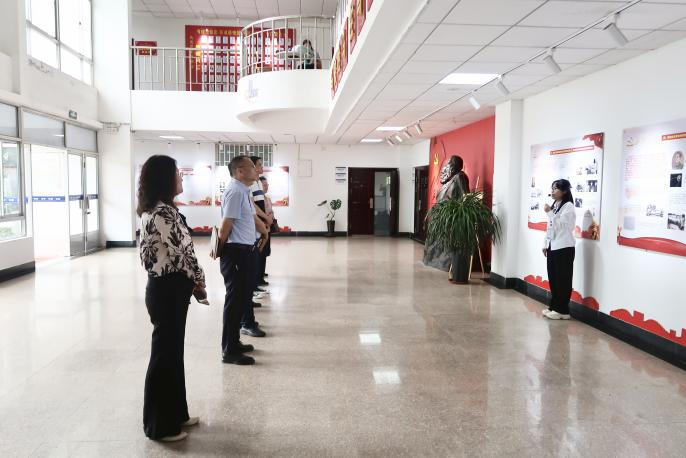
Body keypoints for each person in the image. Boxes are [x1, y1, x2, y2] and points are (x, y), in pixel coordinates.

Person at [137, 155, 205, 442]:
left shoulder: (157, 209)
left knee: (173, 354)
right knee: (165, 357)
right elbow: (181, 253)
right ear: (165, 178)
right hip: (168, 289)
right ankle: (160, 426)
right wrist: (199, 280)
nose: (181, 177)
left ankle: (177, 413)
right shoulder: (163, 212)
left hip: (168, 288)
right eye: (177, 173)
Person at [218, 156, 269, 365]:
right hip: (236, 252)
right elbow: (226, 224)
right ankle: (229, 350)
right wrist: (220, 250)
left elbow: (251, 217)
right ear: (240, 171)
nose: (256, 170)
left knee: (241, 299)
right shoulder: (235, 191)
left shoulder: (243, 190)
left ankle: (235, 342)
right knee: (234, 301)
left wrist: (264, 231)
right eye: (252, 167)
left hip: (245, 251)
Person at [423, 155, 470, 272]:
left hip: (451, 216)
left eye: (450, 163)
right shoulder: (450, 179)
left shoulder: (460, 176)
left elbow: (465, 195)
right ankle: (433, 259)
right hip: (442, 214)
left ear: (455, 165)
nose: (448, 166)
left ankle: (443, 262)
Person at [542, 179, 576, 320]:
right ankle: (554, 306)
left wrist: (550, 213)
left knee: (563, 279)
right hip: (553, 246)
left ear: (565, 191)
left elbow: (564, 226)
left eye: (555, 188)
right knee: (553, 279)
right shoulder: (555, 205)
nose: (552, 191)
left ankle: (563, 310)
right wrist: (546, 244)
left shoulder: (568, 206)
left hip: (564, 247)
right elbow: (550, 226)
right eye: (552, 188)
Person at [249, 156, 272, 289]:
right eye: (259, 165)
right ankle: (254, 283)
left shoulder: (257, 182)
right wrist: (264, 218)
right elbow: (252, 206)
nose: (262, 167)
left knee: (260, 254)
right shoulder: (250, 184)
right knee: (255, 254)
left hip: (261, 223)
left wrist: (266, 219)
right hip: (255, 225)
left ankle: (257, 280)